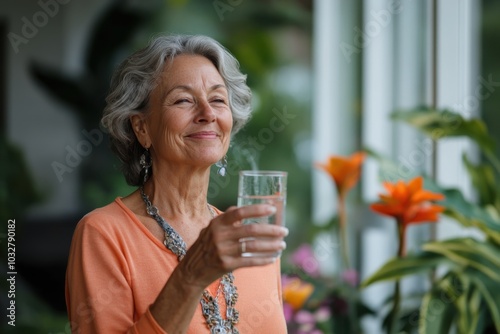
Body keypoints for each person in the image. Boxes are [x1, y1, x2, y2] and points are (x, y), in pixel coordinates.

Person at [65, 34, 289, 334]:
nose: (207, 114)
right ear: (142, 127)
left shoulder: (249, 239)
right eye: (184, 100)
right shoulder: (104, 234)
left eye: (218, 99)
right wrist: (191, 276)